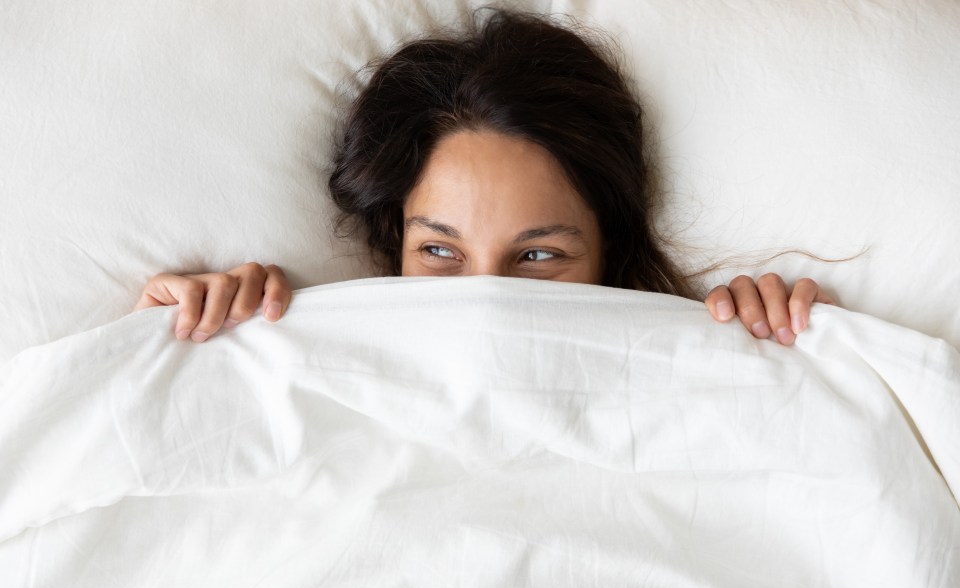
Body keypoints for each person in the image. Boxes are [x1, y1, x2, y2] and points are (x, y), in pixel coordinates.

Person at [134, 9, 833, 346]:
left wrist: (774, 349)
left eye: (538, 256)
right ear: (395, 245)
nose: (487, 299)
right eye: (439, 251)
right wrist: (178, 343)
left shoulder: (696, 364)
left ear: (609, 252)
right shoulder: (302, 354)